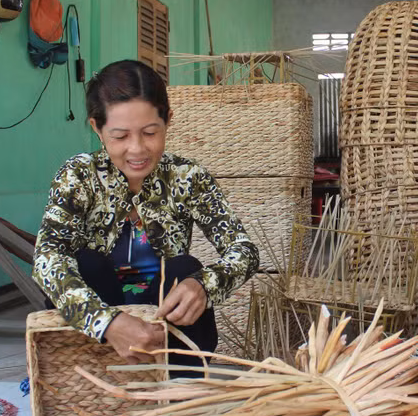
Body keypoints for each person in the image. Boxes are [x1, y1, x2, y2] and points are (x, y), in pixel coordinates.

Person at [32, 60, 259, 374]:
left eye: (150, 132)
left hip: (167, 327)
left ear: (167, 120)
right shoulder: (79, 176)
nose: (137, 150)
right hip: (95, 331)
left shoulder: (188, 177)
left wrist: (205, 285)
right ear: (97, 128)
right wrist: (106, 322)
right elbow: (47, 259)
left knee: (184, 269)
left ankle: (180, 383)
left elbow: (244, 251)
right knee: (86, 262)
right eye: (120, 136)